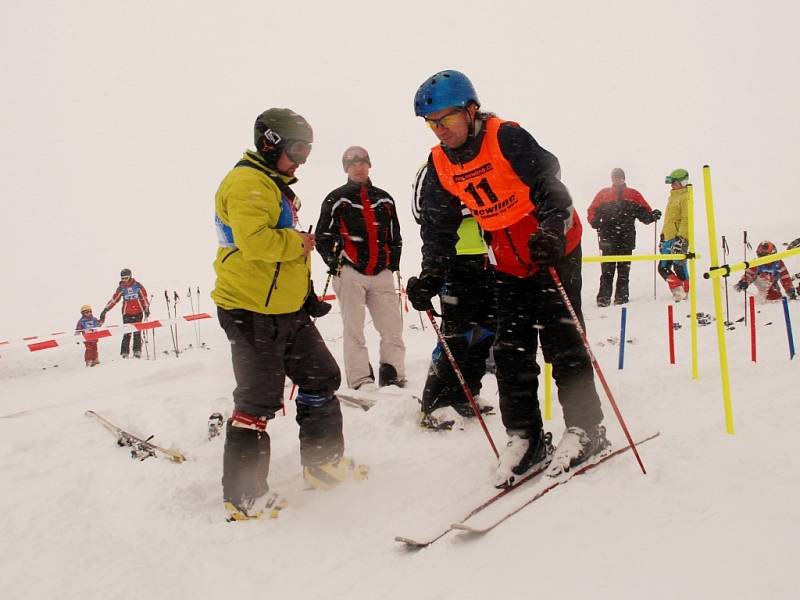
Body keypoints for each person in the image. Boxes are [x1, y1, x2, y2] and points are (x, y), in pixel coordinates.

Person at [406, 69, 607, 487]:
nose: (440, 130)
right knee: (512, 351)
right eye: (432, 123)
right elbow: (439, 229)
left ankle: (587, 429)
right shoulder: (440, 163)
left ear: (471, 110)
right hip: (507, 260)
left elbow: (551, 188)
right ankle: (526, 437)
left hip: (551, 249)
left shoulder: (506, 138)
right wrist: (429, 275)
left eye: (446, 119)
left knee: (563, 343)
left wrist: (550, 230)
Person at [212, 107, 359, 521]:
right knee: (257, 402)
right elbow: (258, 243)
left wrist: (306, 294)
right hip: (251, 309)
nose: (302, 160)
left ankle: (323, 463)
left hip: (285, 309)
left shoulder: (274, 185)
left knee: (320, 378)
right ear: (269, 142)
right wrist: (300, 242)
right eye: (297, 149)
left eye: (308, 151)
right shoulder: (248, 183)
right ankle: (244, 496)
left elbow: (283, 255)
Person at [315, 145, 406, 391]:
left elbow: (395, 234)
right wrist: (335, 262)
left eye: (363, 162)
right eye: (353, 164)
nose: (359, 167)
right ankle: (361, 380)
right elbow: (323, 235)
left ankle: (393, 374)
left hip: (381, 272)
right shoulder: (337, 198)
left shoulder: (385, 198)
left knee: (392, 328)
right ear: (346, 168)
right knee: (354, 328)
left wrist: (393, 264)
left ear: (369, 165)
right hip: (350, 272)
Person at [412, 163, 495, 429]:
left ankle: (467, 393)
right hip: (454, 260)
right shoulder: (433, 169)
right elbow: (420, 211)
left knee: (484, 331)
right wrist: (470, 207)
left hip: (489, 258)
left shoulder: (483, 166)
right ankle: (434, 403)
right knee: (456, 334)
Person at [587, 168, 661, 306]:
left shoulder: (633, 194)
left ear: (624, 178)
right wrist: (594, 221)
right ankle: (604, 298)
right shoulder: (603, 194)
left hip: (626, 239)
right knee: (607, 272)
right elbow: (591, 210)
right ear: (612, 179)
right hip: (607, 239)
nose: (617, 180)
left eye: (619, 177)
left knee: (623, 272)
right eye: (615, 177)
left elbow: (645, 214)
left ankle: (621, 298)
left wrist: (652, 216)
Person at [99, 269, 150, 358]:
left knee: (137, 332)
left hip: (138, 312)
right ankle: (124, 352)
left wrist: (146, 308)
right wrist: (105, 310)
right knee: (126, 333)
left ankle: (137, 351)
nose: (124, 280)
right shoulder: (122, 288)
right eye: (122, 278)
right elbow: (114, 300)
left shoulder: (137, 286)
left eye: (126, 278)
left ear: (130, 276)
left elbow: (144, 298)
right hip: (127, 313)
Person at [657, 169, 691, 301]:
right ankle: (678, 289)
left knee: (679, 265)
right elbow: (669, 220)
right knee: (663, 267)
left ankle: (685, 290)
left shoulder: (686, 197)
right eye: (671, 183)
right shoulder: (673, 197)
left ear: (683, 182)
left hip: (679, 238)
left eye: (675, 183)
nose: (672, 185)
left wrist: (681, 238)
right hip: (668, 237)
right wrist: (663, 236)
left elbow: (686, 219)